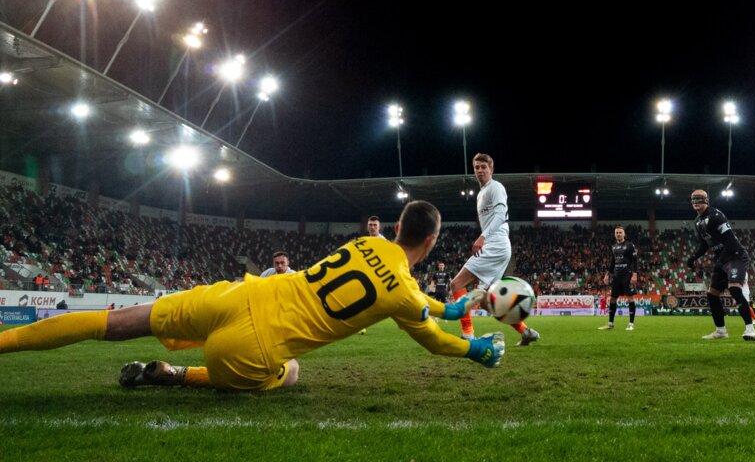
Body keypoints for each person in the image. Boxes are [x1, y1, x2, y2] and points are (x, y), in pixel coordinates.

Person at [0, 201, 505, 391]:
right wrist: (476, 347)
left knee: (109, 322)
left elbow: (411, 295)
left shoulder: (368, 241)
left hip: (236, 297)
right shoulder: (404, 295)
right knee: (293, 374)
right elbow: (435, 338)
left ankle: (4, 342)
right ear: (433, 241)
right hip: (253, 348)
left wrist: (448, 306)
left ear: (394, 226)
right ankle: (174, 375)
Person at [449, 153, 539, 346]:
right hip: (497, 245)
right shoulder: (482, 192)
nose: (480, 170)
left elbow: (500, 215)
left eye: (483, 167)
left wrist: (483, 237)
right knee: (486, 302)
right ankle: (526, 332)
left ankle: (468, 336)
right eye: (476, 167)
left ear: (492, 169)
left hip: (495, 243)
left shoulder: (495, 187)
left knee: (457, 284)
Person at [686, 190, 755, 341]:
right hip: (722, 259)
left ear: (707, 200)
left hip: (735, 255)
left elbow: (730, 241)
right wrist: (693, 257)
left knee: (734, 290)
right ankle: (721, 331)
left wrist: (720, 261)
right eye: (693, 199)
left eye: (699, 199)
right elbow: (704, 245)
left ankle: (750, 330)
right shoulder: (697, 221)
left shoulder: (716, 216)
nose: (696, 202)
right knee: (712, 295)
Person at [599, 226, 638, 331]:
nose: (618, 234)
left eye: (620, 232)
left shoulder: (630, 245)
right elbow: (613, 262)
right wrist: (607, 274)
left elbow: (635, 260)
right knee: (612, 299)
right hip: (617, 276)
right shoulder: (614, 247)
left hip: (627, 275)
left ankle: (631, 324)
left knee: (630, 298)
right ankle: (610, 324)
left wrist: (635, 274)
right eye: (617, 232)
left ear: (624, 234)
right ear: (614, 234)